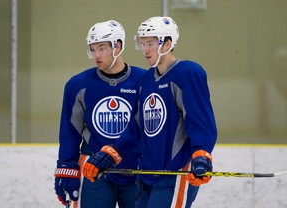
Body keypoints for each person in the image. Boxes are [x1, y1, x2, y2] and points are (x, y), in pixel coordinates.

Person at [83, 16, 217, 208]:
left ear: (168, 43)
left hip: (174, 173)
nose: (145, 50)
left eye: (151, 43)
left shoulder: (187, 73)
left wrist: (201, 153)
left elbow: (199, 119)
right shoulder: (147, 80)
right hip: (145, 176)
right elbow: (137, 127)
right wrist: (112, 152)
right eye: (143, 43)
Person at [54, 20, 146, 208]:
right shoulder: (78, 85)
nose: (96, 55)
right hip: (94, 170)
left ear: (118, 46)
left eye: (102, 48)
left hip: (135, 167)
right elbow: (70, 133)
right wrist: (66, 169)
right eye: (93, 49)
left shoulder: (145, 81)